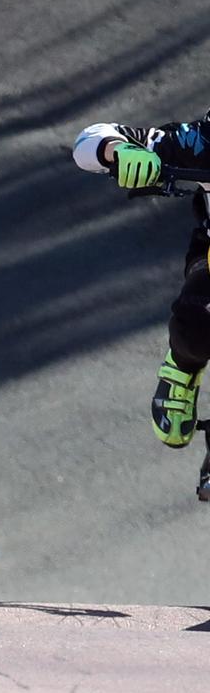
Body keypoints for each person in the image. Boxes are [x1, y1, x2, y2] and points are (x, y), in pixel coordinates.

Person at [73, 116, 210, 449]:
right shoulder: (201, 140)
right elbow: (87, 143)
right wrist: (117, 151)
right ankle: (182, 365)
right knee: (199, 323)